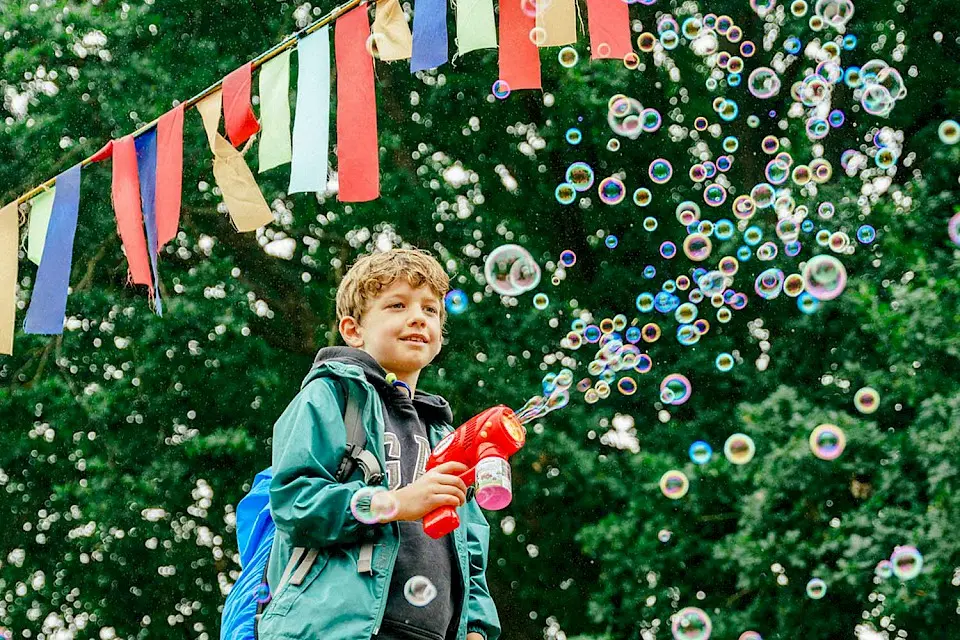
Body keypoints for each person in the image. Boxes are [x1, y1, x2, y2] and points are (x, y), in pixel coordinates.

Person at [258, 248, 501, 640]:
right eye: (397, 305)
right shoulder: (331, 396)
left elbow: (471, 546)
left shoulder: (445, 437)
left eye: (431, 310)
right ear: (353, 330)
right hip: (336, 630)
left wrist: (476, 628)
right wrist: (396, 504)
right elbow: (294, 503)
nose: (418, 317)